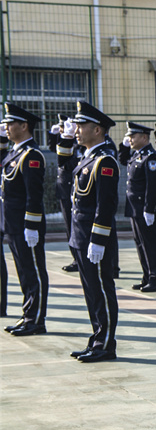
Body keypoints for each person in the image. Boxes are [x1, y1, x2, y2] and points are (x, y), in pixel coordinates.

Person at [56, 102, 120, 362]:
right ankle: (97, 338)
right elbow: (63, 162)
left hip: (94, 238)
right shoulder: (87, 157)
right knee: (91, 291)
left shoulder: (105, 161)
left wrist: (98, 239)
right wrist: (65, 138)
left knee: (102, 290)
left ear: (97, 130)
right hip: (81, 235)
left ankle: (106, 343)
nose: (77, 130)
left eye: (82, 126)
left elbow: (106, 205)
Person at [1, 104, 48, 336]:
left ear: (24, 126)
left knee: (33, 270)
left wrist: (31, 225)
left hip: (25, 225)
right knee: (23, 270)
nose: (6, 127)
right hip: (13, 223)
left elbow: (34, 195)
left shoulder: (32, 156)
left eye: (10, 123)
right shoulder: (14, 153)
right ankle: (28, 314)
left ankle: (36, 320)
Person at [119, 122, 156, 293]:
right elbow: (122, 160)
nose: (130, 139)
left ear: (144, 137)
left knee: (150, 244)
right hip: (135, 208)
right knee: (140, 243)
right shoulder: (137, 155)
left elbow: (153, 187)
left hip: (145, 208)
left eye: (133, 136)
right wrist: (124, 147)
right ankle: (147, 276)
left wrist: (149, 209)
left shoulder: (150, 157)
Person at [50, 115, 79, 273]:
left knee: (74, 227)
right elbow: (52, 148)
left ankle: (78, 259)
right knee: (69, 227)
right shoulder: (64, 143)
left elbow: (67, 163)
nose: (61, 131)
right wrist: (53, 135)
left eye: (63, 128)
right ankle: (76, 258)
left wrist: (65, 139)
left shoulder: (75, 144)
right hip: (63, 190)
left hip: (71, 189)